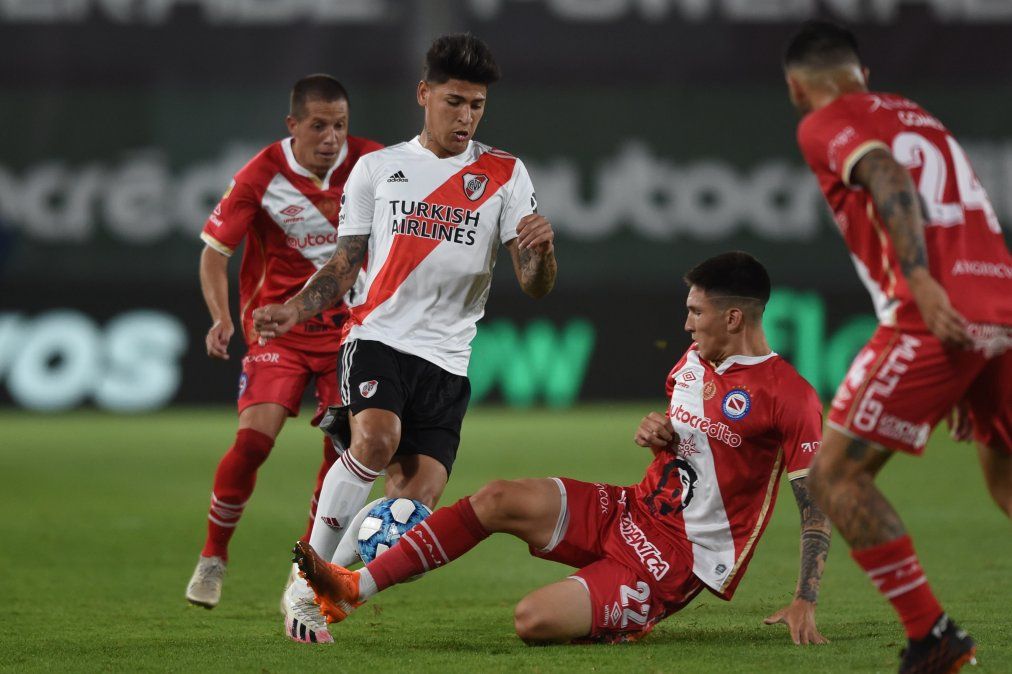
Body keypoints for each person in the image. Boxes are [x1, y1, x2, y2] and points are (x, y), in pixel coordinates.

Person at [291, 252, 832, 646]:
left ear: (733, 318)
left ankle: (629, 615)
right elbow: (694, 445)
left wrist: (805, 596)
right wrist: (659, 433)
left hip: (674, 560)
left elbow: (817, 504)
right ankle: (351, 587)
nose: (687, 323)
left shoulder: (791, 395)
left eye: (696, 312)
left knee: (532, 621)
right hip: (630, 511)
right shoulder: (691, 364)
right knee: (499, 497)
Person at [252, 33, 558, 643]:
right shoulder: (377, 168)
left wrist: (541, 251)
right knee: (376, 436)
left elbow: (534, 285)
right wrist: (293, 309)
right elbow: (344, 264)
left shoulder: (505, 173)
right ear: (424, 94)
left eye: (476, 105)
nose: (466, 116)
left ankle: (337, 575)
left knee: (414, 503)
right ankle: (305, 580)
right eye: (454, 101)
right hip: (379, 334)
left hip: (448, 358)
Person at [783, 20, 1012, 673]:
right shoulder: (919, 115)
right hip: (1000, 303)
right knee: (1007, 482)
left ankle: (932, 636)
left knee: (834, 474)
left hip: (933, 312)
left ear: (798, 87)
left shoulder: (823, 120)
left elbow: (887, 178)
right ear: (864, 74)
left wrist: (920, 280)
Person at [185, 75, 382, 609]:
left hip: (350, 332)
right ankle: (213, 556)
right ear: (293, 125)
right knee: (254, 442)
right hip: (281, 330)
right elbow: (213, 251)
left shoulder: (373, 164)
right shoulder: (259, 175)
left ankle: (306, 566)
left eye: (339, 125)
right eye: (318, 125)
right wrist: (221, 317)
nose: (331, 137)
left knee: (344, 448)